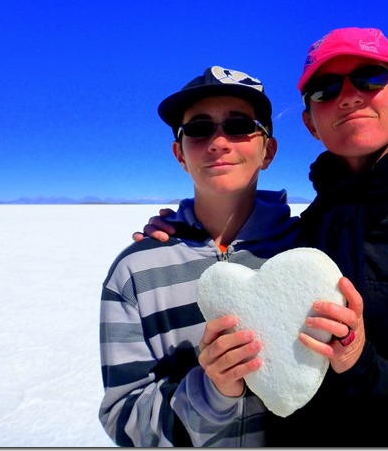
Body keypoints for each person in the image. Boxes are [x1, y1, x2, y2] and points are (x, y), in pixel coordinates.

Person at [133, 27, 388, 446]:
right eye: (326, 88)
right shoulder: (303, 233)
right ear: (310, 122)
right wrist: (184, 229)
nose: (348, 96)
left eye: (368, 77)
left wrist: (366, 366)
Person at [99, 66, 306, 446]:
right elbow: (122, 417)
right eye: (198, 129)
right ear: (180, 153)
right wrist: (210, 392)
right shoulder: (137, 271)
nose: (218, 142)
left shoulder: (307, 252)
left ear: (268, 150)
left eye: (239, 125)